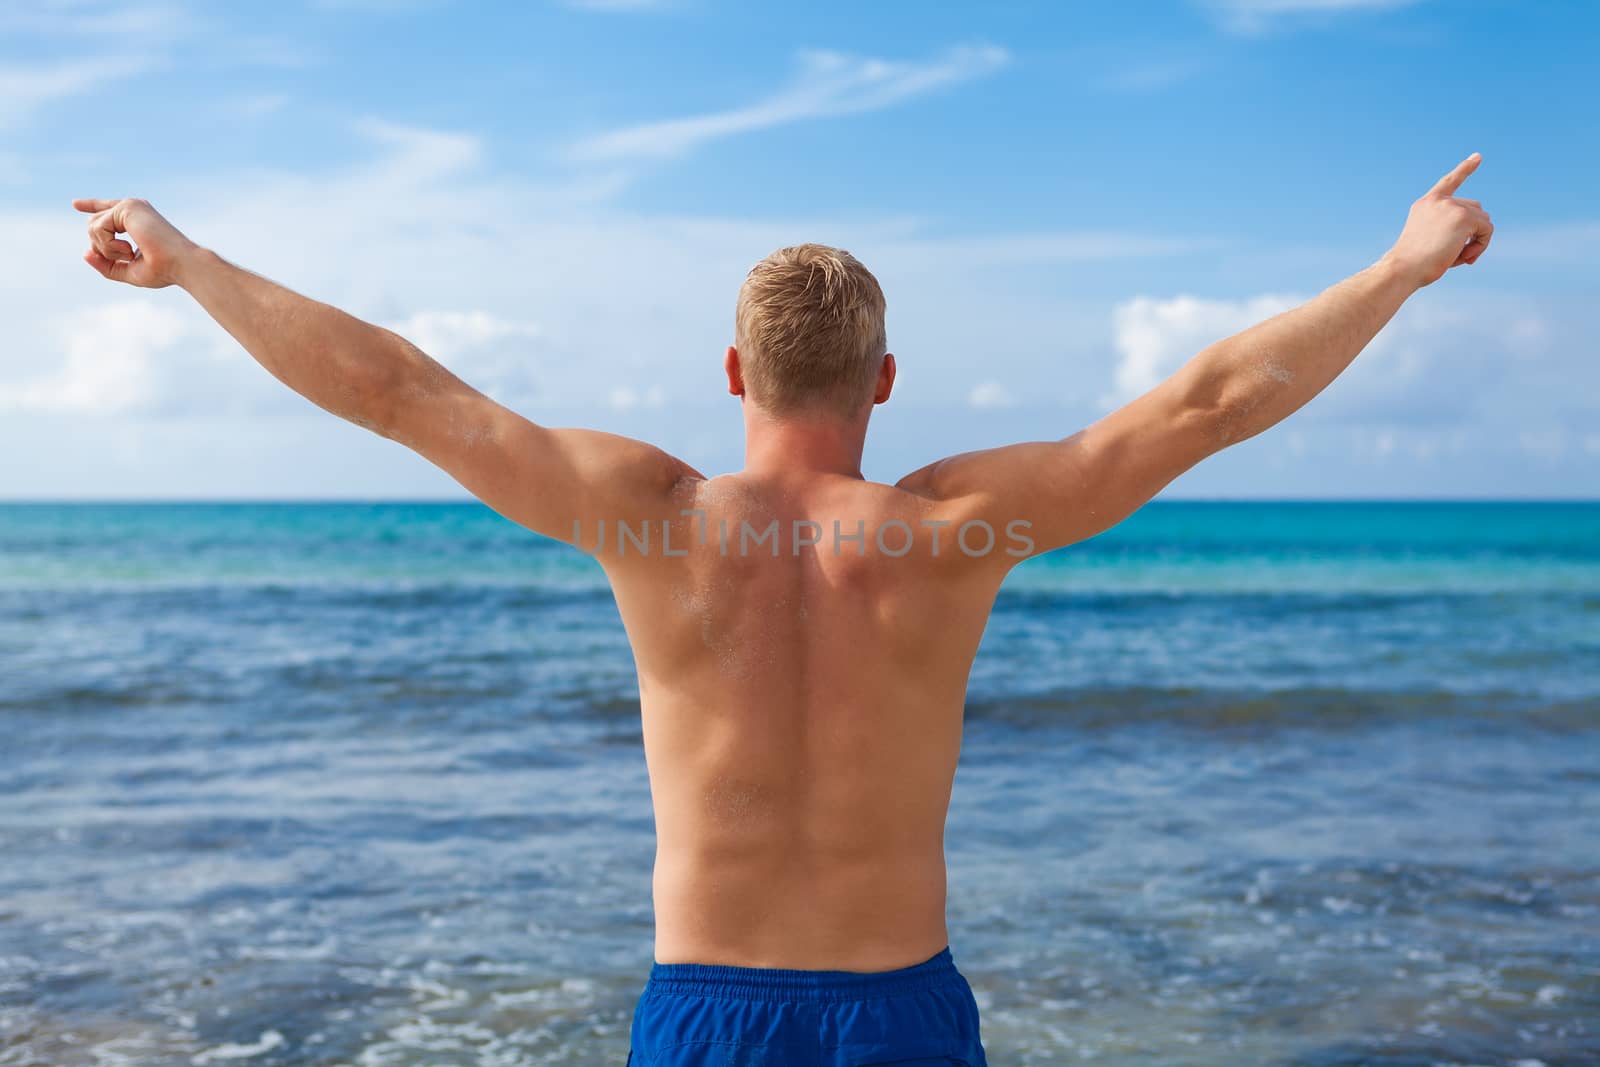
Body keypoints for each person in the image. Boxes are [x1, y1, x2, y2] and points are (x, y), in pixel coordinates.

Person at [73, 153, 1491, 1066]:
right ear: (882, 380)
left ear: (735, 374)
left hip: (705, 1014)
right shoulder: (955, 531)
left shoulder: (650, 520)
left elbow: (398, 393)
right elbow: (1206, 405)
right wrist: (1400, 266)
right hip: (905, 1012)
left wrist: (190, 262)